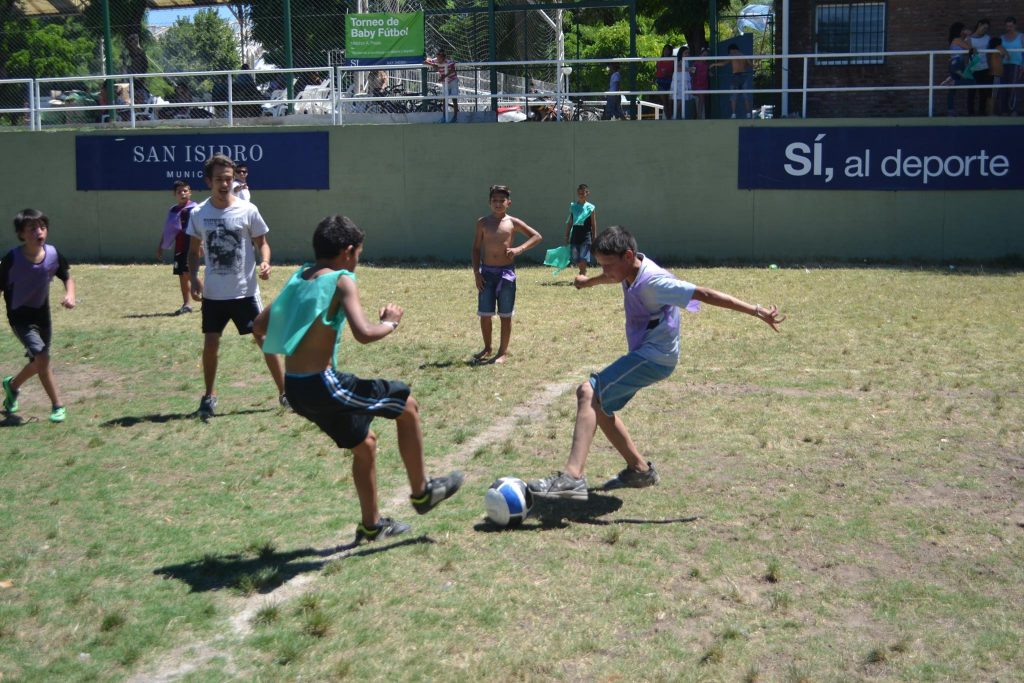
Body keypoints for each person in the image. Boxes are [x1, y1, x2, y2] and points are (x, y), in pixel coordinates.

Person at [527, 226, 784, 501]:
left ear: (627, 256)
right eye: (600, 265)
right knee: (600, 406)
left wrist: (757, 311)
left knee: (588, 392)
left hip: (655, 356)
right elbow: (613, 278)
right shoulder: (629, 269)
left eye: (608, 265)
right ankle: (639, 470)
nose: (605, 271)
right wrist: (588, 282)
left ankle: (572, 477)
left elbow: (705, 294)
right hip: (649, 353)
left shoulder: (654, 282)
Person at [255, 215, 463, 543]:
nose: (357, 263)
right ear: (348, 252)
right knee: (406, 404)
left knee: (364, 445)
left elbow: (260, 326)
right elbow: (364, 334)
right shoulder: (341, 280)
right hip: (323, 385)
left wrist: (286, 379)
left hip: (297, 389)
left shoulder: (299, 277)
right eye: (359, 255)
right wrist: (390, 323)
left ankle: (372, 526)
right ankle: (423, 492)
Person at [186, 154, 286, 417]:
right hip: (214, 295)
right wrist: (194, 276)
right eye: (219, 179)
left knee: (263, 338)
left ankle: (285, 393)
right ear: (208, 181)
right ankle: (209, 396)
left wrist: (265, 261)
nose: (224, 184)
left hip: (245, 292)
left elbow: (262, 242)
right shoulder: (199, 213)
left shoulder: (247, 210)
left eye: (228, 179)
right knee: (210, 343)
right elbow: (193, 251)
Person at [1, 209, 76, 423]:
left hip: (43, 317)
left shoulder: (52, 254)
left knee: (39, 361)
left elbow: (67, 277)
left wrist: (70, 294)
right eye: (32, 228)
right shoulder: (12, 259)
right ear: (21, 234)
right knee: (43, 357)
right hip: (19, 318)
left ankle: (12, 385)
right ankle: (57, 405)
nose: (39, 232)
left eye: (42, 227)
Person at [471, 185, 543, 364]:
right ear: (489, 202)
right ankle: (487, 348)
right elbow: (476, 248)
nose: (498, 203)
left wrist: (519, 249)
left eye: (501, 200)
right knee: (485, 314)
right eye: (494, 200)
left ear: (508, 203)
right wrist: (476, 273)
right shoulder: (483, 223)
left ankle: (502, 352)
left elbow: (536, 236)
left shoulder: (513, 222)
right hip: (486, 274)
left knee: (505, 314)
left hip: (506, 275)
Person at [156, 180, 198, 315]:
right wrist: (161, 245)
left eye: (185, 191)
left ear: (190, 192)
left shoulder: (195, 208)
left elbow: (200, 228)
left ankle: (208, 299)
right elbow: (168, 229)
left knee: (190, 273)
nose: (183, 193)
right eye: (179, 192)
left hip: (190, 245)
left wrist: (201, 244)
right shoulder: (173, 210)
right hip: (179, 246)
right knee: (181, 275)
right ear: (175, 194)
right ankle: (186, 304)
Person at [711, 43, 754, 119]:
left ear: (731, 50)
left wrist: (714, 64)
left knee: (733, 97)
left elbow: (724, 63)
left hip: (736, 76)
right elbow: (751, 65)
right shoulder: (743, 55)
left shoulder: (731, 55)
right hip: (744, 76)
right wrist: (759, 58)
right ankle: (748, 114)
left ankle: (733, 114)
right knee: (746, 96)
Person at [564, 184, 597, 276]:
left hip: (586, 236)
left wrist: (594, 237)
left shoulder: (591, 207)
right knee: (575, 257)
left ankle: (582, 273)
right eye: (579, 193)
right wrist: (566, 236)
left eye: (583, 193)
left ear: (587, 193)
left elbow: (593, 224)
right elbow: (570, 222)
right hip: (575, 235)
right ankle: (583, 271)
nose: (581, 194)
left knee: (583, 257)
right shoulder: (573, 207)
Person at [945, 22, 973, 116]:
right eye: (963, 29)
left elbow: (968, 47)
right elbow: (970, 48)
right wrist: (968, 35)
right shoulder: (957, 40)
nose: (964, 31)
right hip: (957, 64)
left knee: (952, 90)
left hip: (955, 64)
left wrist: (967, 37)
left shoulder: (958, 40)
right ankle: (953, 82)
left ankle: (950, 110)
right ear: (959, 30)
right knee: (971, 81)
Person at [424, 49, 459, 121]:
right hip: (445, 82)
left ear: (443, 57)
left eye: (440, 57)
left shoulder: (448, 62)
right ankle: (444, 117)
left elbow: (453, 70)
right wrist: (432, 65)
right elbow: (425, 61)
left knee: (454, 99)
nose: (438, 59)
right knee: (444, 99)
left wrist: (444, 77)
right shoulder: (436, 60)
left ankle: (455, 117)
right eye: (437, 57)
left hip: (453, 80)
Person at [967, 19, 993, 116]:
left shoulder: (988, 38)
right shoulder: (969, 39)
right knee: (971, 93)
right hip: (973, 68)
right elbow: (968, 51)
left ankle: (982, 113)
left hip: (985, 67)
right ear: (979, 25)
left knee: (984, 92)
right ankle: (971, 114)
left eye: (987, 29)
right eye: (984, 27)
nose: (985, 30)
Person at [999, 17, 1022, 115]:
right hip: (1004, 65)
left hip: (1016, 65)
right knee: (1003, 88)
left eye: (1011, 26)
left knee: (1013, 88)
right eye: (1007, 26)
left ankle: (1013, 110)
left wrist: (1023, 65)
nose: (1009, 28)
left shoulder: (1021, 37)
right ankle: (1003, 111)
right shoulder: (1002, 37)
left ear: (1015, 26)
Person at [670, 47, 696, 119]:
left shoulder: (687, 61)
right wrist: (689, 69)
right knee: (680, 99)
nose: (687, 54)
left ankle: (678, 116)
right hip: (679, 83)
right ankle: (674, 116)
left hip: (685, 82)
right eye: (685, 53)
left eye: (688, 53)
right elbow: (678, 68)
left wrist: (691, 71)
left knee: (682, 100)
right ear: (681, 54)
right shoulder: (679, 60)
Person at [989, 36, 1009, 114]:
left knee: (994, 94)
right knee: (994, 95)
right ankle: (991, 113)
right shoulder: (998, 48)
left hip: (995, 74)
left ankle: (993, 112)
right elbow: (1007, 56)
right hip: (996, 74)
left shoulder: (992, 51)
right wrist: (1006, 55)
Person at [653, 44, 675, 115]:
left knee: (670, 102)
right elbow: (657, 70)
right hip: (661, 82)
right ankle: (668, 118)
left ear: (670, 51)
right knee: (664, 102)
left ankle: (671, 117)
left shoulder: (673, 60)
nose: (666, 51)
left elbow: (675, 72)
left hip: (670, 82)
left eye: (668, 50)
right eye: (665, 49)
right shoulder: (659, 60)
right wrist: (655, 78)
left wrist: (668, 74)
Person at [692, 47, 711, 119]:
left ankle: (699, 116)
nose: (705, 57)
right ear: (700, 55)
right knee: (701, 99)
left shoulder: (707, 64)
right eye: (704, 55)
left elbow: (708, 73)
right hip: (697, 84)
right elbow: (692, 73)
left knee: (701, 100)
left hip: (704, 84)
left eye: (707, 55)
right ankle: (699, 116)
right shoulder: (696, 63)